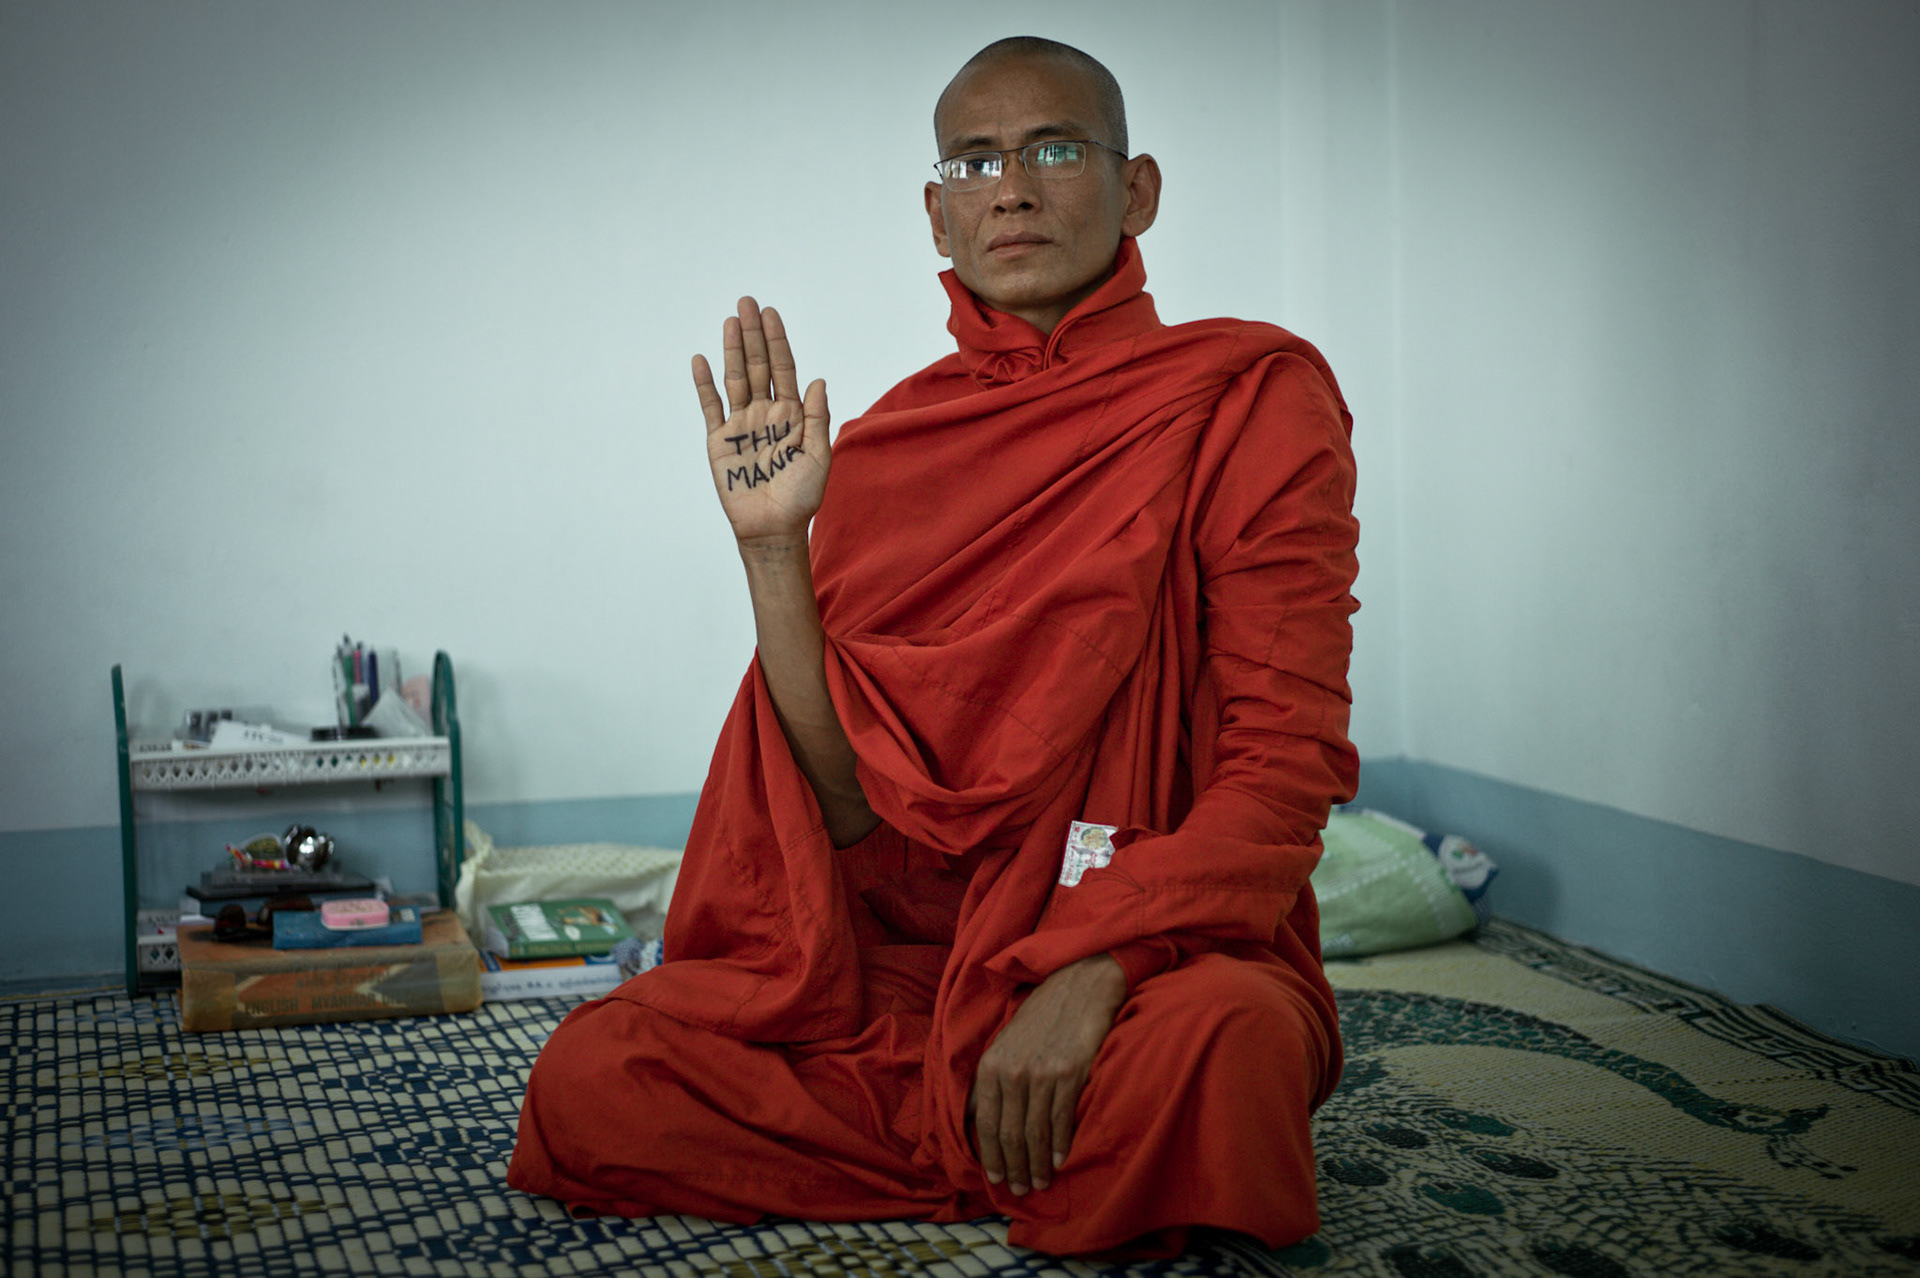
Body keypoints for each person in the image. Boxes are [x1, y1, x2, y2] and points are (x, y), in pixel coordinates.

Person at [508, 35, 1359, 1258]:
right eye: (974, 162)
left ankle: (1020, 1114)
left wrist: (1097, 965)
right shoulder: (896, 444)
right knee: (594, 1075)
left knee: (1230, 1045)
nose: (1010, 187)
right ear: (936, 213)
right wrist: (771, 550)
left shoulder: (1247, 396)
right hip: (924, 960)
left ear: (1139, 191)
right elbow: (852, 810)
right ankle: (1024, 1141)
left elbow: (1282, 768)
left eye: (1054, 150)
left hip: (1152, 948)